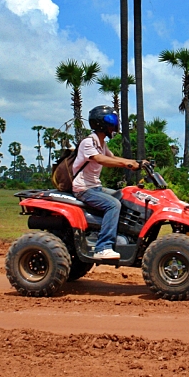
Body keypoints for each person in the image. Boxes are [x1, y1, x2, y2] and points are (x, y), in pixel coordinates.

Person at [72, 105, 142, 260]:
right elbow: (100, 159)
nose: (114, 125)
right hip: (83, 188)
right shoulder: (88, 142)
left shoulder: (101, 143)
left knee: (125, 196)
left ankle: (119, 235)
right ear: (100, 124)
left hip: (95, 187)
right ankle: (103, 247)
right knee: (113, 204)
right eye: (111, 121)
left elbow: (113, 158)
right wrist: (126, 164)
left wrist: (136, 162)